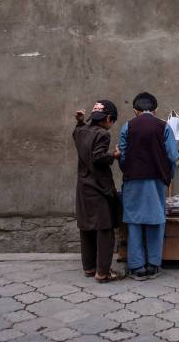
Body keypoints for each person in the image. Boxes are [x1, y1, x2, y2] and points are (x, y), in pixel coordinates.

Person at [118, 92, 179, 280]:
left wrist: (126, 170)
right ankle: (154, 264)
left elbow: (122, 155)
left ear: (135, 111)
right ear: (156, 110)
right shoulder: (164, 126)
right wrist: (168, 177)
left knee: (134, 221)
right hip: (156, 181)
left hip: (133, 181)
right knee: (156, 220)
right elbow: (172, 156)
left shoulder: (127, 126)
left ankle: (137, 267)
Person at [72, 100, 124, 283]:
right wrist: (114, 155)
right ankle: (103, 272)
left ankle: (89, 268)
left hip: (83, 187)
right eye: (112, 121)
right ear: (108, 118)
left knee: (86, 228)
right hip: (98, 188)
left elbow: (77, 134)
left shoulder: (81, 131)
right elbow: (98, 157)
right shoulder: (102, 134)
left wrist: (79, 122)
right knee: (104, 229)